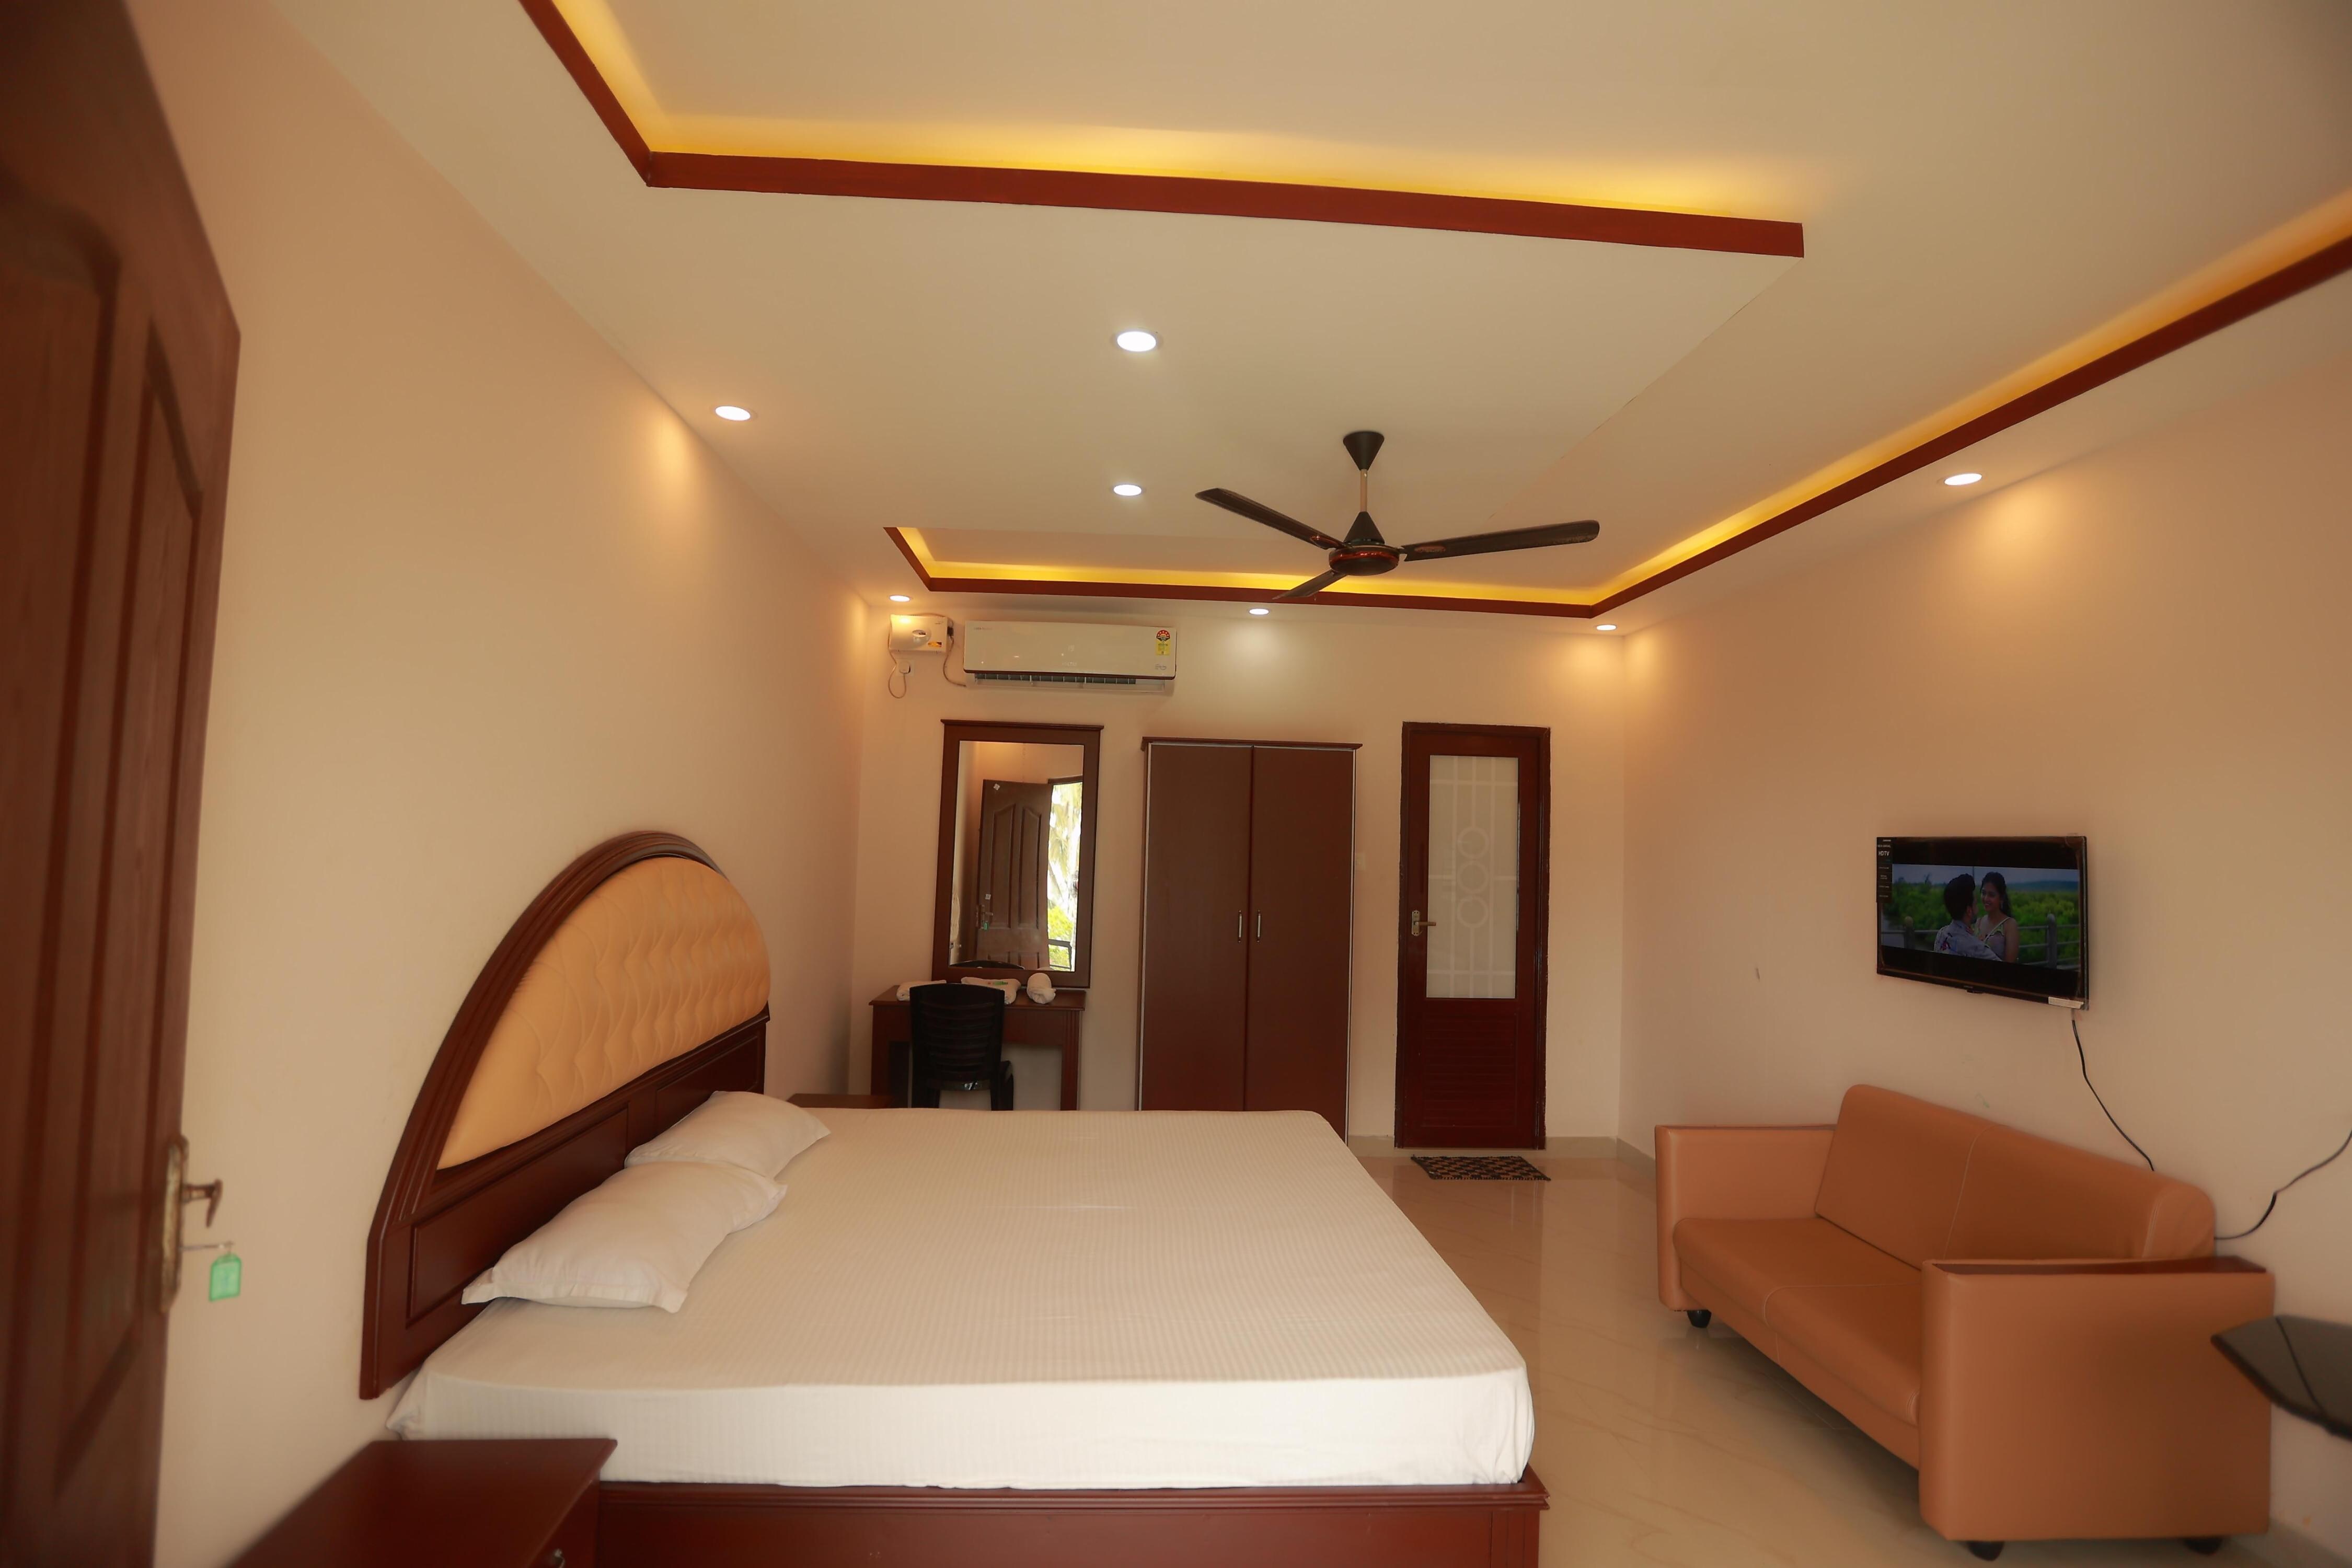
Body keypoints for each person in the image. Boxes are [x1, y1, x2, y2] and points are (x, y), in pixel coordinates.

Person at [1933, 873, 2000, 959]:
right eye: (1975, 904)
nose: (1978, 909)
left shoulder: (1941, 934)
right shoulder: (1977, 949)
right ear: (1969, 911)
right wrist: (1975, 941)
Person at [1974, 871, 2020, 962]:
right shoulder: (1979, 922)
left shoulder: (2010, 925)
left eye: (1992, 895)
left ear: (2001, 898)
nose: (1986, 898)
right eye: (1984, 893)